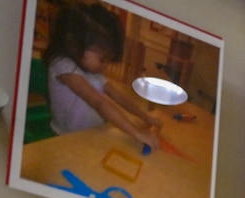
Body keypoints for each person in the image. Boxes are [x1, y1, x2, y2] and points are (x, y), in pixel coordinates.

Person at [45, 3, 162, 149]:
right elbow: (98, 103)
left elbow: (119, 96)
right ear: (75, 44)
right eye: (102, 59)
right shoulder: (63, 65)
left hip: (91, 134)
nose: (105, 66)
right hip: (66, 139)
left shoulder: (91, 71)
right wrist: (136, 133)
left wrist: (146, 117)